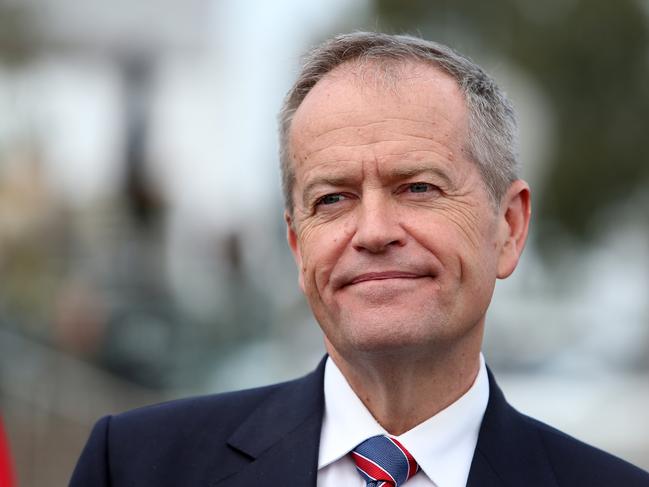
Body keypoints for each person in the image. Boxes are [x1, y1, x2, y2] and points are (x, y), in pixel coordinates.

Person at [70, 32, 649, 486]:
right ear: (298, 247)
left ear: (509, 227)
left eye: (418, 187)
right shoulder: (136, 467)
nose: (372, 231)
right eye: (333, 198)